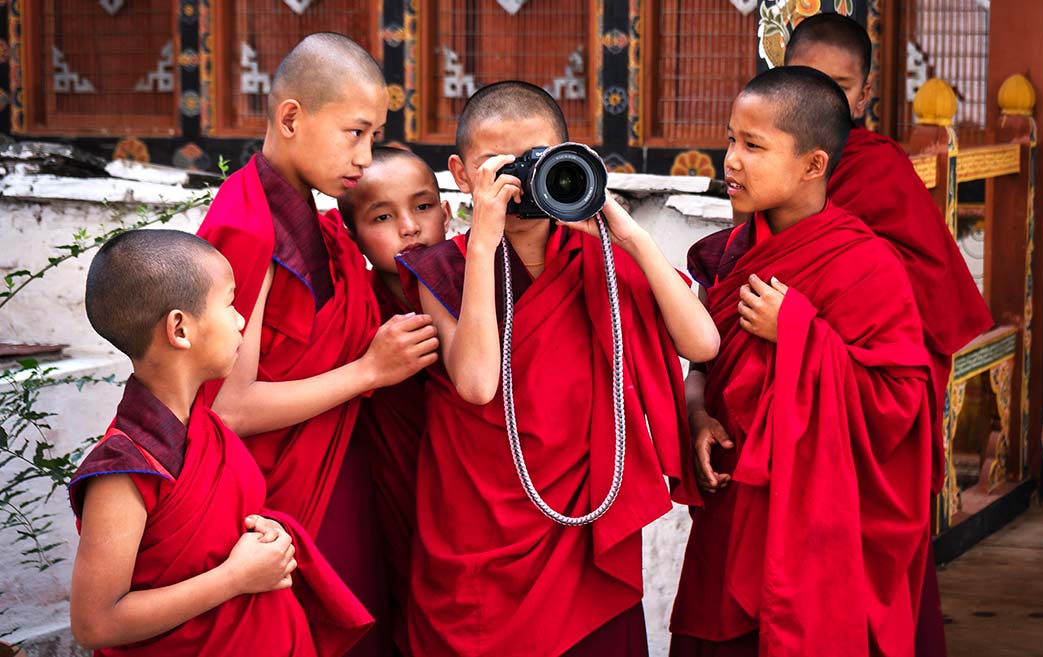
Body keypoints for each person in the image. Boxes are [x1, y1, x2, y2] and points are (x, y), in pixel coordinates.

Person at [396, 80, 718, 657]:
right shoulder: (441, 267)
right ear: (460, 174)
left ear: (566, 162)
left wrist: (629, 234)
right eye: (498, 168)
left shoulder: (599, 256)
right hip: (481, 534)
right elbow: (474, 383)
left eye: (534, 162)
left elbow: (703, 341)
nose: (518, 185)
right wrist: (481, 248)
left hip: (582, 537)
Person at [671, 66, 935, 657]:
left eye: (754, 146)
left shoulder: (866, 266)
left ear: (814, 165)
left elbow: (898, 406)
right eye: (731, 139)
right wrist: (695, 415)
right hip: (734, 505)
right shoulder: (724, 255)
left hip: (817, 528)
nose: (731, 160)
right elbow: (704, 368)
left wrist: (796, 330)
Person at [195, 32, 437, 657]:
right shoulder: (247, 226)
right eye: (354, 132)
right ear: (292, 117)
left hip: (338, 470)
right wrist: (369, 372)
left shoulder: (318, 220)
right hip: (286, 497)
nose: (365, 155)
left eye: (374, 135)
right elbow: (229, 407)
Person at [786, 15, 997, 653]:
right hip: (791, 392)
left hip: (867, 390)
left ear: (868, 91)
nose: (825, 100)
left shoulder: (879, 169)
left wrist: (814, 321)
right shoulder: (768, 159)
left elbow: (916, 300)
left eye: (841, 86)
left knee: (865, 546)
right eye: (808, 81)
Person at [68, 229, 372, 657]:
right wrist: (236, 577)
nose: (241, 319)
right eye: (230, 303)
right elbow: (94, 623)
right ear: (180, 329)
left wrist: (264, 535)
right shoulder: (124, 469)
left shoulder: (204, 427)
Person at [338, 146, 451, 656]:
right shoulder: (351, 312)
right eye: (382, 216)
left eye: (423, 206)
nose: (409, 227)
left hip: (474, 502)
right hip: (392, 496)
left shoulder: (486, 289)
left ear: (447, 212)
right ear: (354, 235)